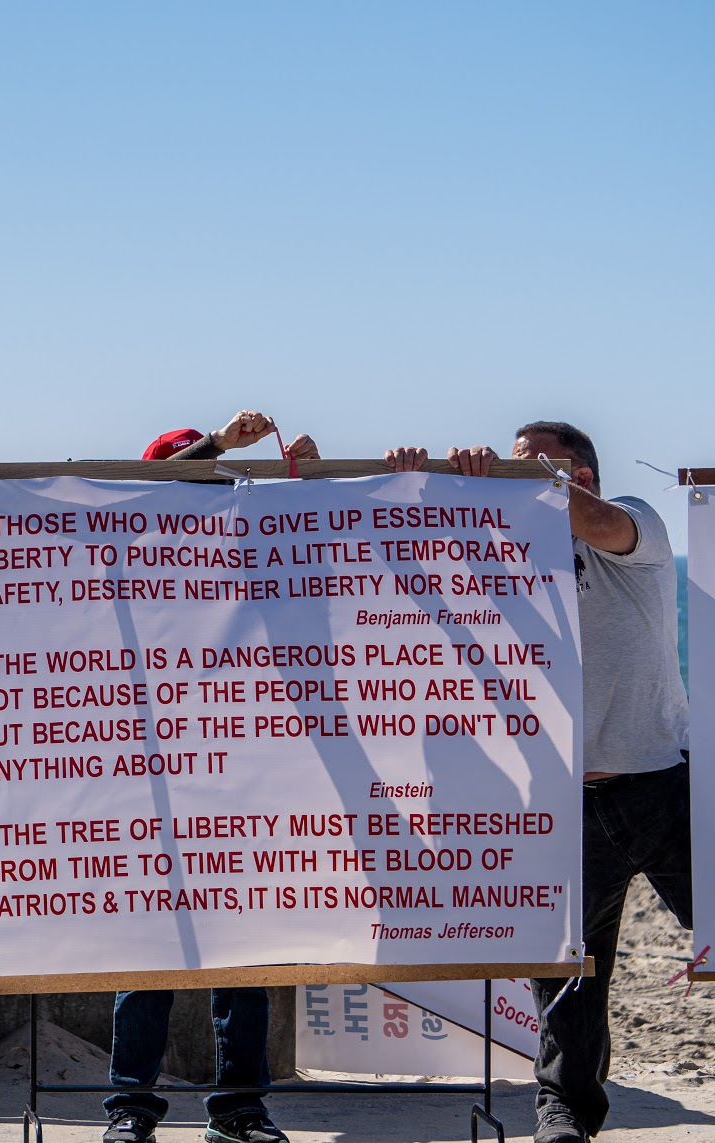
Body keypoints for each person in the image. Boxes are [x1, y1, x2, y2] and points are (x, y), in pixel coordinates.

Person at [385, 422, 692, 1143]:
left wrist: (506, 481)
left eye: (537, 466)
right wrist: (416, 486)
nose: (519, 476)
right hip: (562, 800)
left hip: (660, 787)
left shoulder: (631, 527)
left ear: (577, 473)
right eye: (515, 466)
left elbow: (598, 521)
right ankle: (565, 1111)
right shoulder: (510, 553)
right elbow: (413, 580)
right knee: (566, 972)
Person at [104, 410, 318, 1143]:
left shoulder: (241, 549)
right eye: (196, 477)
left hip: (241, 778)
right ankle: (132, 1106)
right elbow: (155, 490)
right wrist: (220, 446)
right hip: (153, 783)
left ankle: (238, 1109)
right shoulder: (129, 549)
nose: (206, 492)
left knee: (244, 956)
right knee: (150, 959)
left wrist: (305, 483)